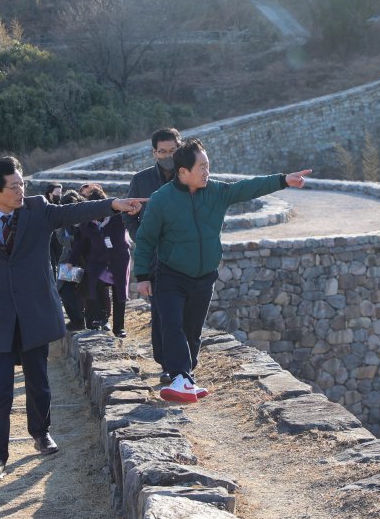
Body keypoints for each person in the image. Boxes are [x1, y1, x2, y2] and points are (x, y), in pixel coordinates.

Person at [0, 156, 145, 485]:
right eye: (14, 187)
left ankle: (41, 433)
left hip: (34, 310)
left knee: (37, 380)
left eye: (22, 185)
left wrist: (113, 204)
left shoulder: (38, 209)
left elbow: (74, 212)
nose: (21, 191)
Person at [133, 138, 311, 404]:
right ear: (183, 172)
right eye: (202, 167)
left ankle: (186, 376)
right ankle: (179, 376)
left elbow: (247, 188)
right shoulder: (162, 200)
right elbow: (146, 238)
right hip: (171, 275)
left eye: (208, 166)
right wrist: (143, 276)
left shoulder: (217, 192)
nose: (207, 172)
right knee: (172, 325)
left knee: (193, 330)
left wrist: (284, 180)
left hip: (204, 277)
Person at [126, 127, 181, 379]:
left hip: (186, 258)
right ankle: (167, 365)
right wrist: (144, 242)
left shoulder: (189, 177)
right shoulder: (141, 180)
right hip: (157, 261)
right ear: (154, 152)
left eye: (172, 151)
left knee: (185, 315)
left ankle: (183, 364)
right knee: (161, 314)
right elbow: (130, 218)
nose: (167, 155)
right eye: (162, 152)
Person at [69, 184, 131, 337]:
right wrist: (71, 260)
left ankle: (119, 328)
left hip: (119, 259)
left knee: (119, 293)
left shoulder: (118, 217)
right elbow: (80, 243)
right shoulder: (88, 222)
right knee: (92, 285)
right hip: (98, 261)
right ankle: (99, 318)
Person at [55, 190, 87, 331]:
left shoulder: (85, 217)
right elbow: (62, 239)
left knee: (78, 291)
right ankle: (77, 320)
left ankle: (81, 320)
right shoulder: (62, 221)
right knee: (65, 289)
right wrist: (77, 239)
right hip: (69, 261)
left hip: (83, 261)